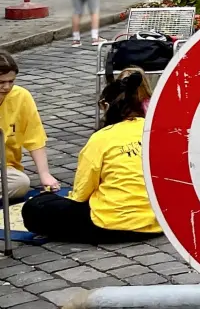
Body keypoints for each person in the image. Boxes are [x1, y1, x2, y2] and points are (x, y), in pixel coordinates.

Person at [22, 69, 161, 244]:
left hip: (113, 225)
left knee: (36, 207)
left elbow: (81, 194)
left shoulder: (101, 138)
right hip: (159, 220)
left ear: (108, 107)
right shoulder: (155, 130)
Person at [1, 53, 59, 201]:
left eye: (11, 81)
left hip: (5, 169)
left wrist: (44, 174)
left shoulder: (22, 96)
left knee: (21, 183)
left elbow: (35, 137)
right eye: (1, 82)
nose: (7, 87)